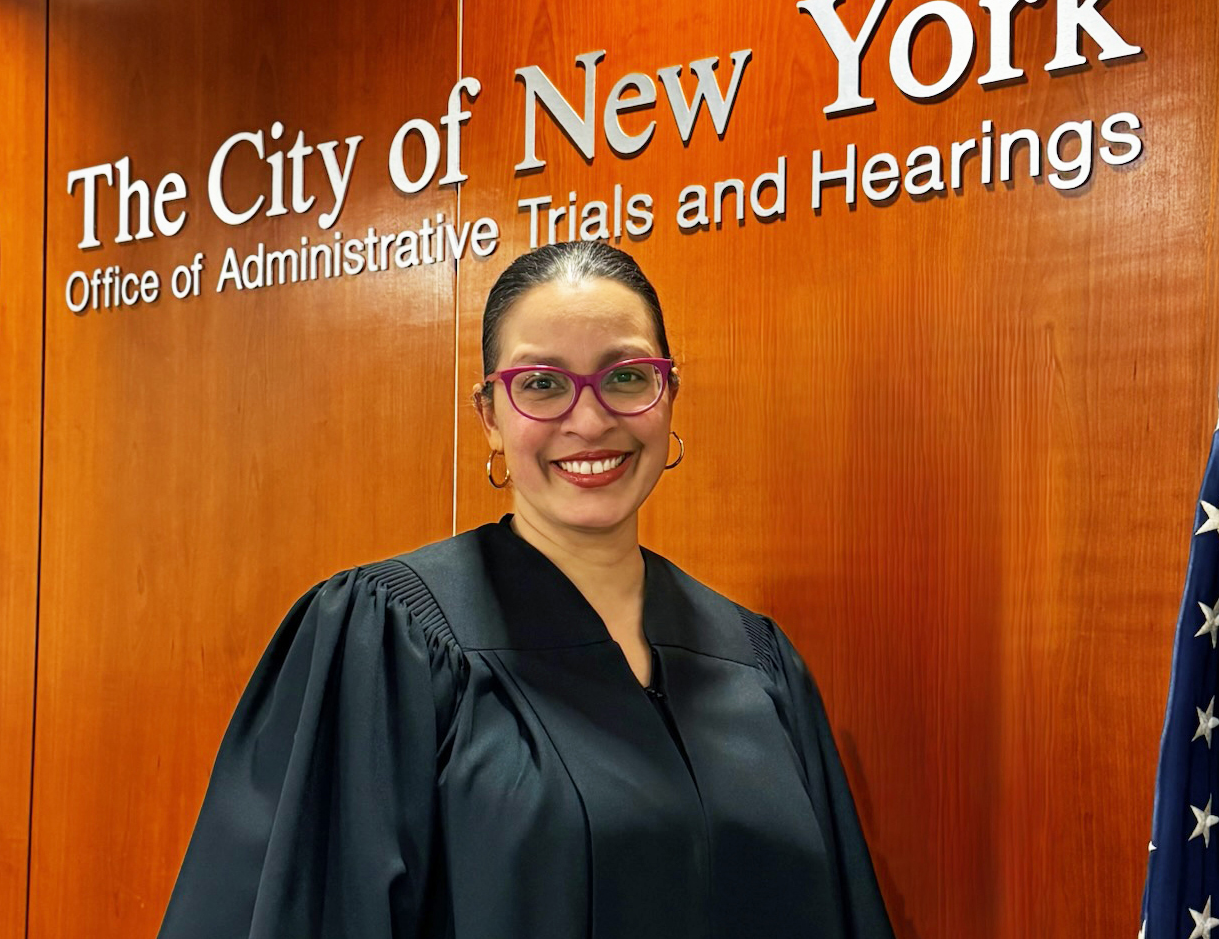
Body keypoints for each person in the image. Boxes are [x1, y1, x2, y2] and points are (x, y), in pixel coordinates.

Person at [156, 240, 895, 939]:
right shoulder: (389, 641)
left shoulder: (758, 665)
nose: (589, 417)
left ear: (668, 392)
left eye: (626, 376)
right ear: (490, 417)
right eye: (542, 384)